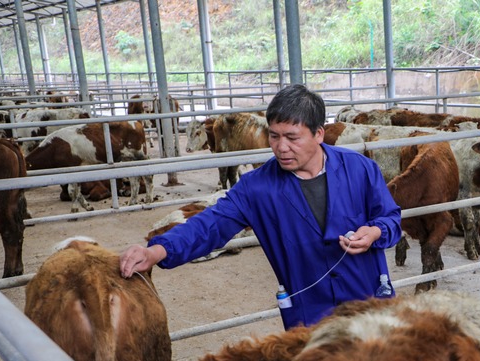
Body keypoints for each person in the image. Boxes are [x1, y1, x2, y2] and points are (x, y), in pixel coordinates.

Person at [119, 84, 402, 330]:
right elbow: (210, 224)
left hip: (369, 299)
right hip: (311, 312)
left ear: (318, 134)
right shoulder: (257, 187)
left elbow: (390, 218)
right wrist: (157, 250)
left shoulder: (359, 169)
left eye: (292, 137)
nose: (281, 147)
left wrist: (375, 232)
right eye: (274, 136)